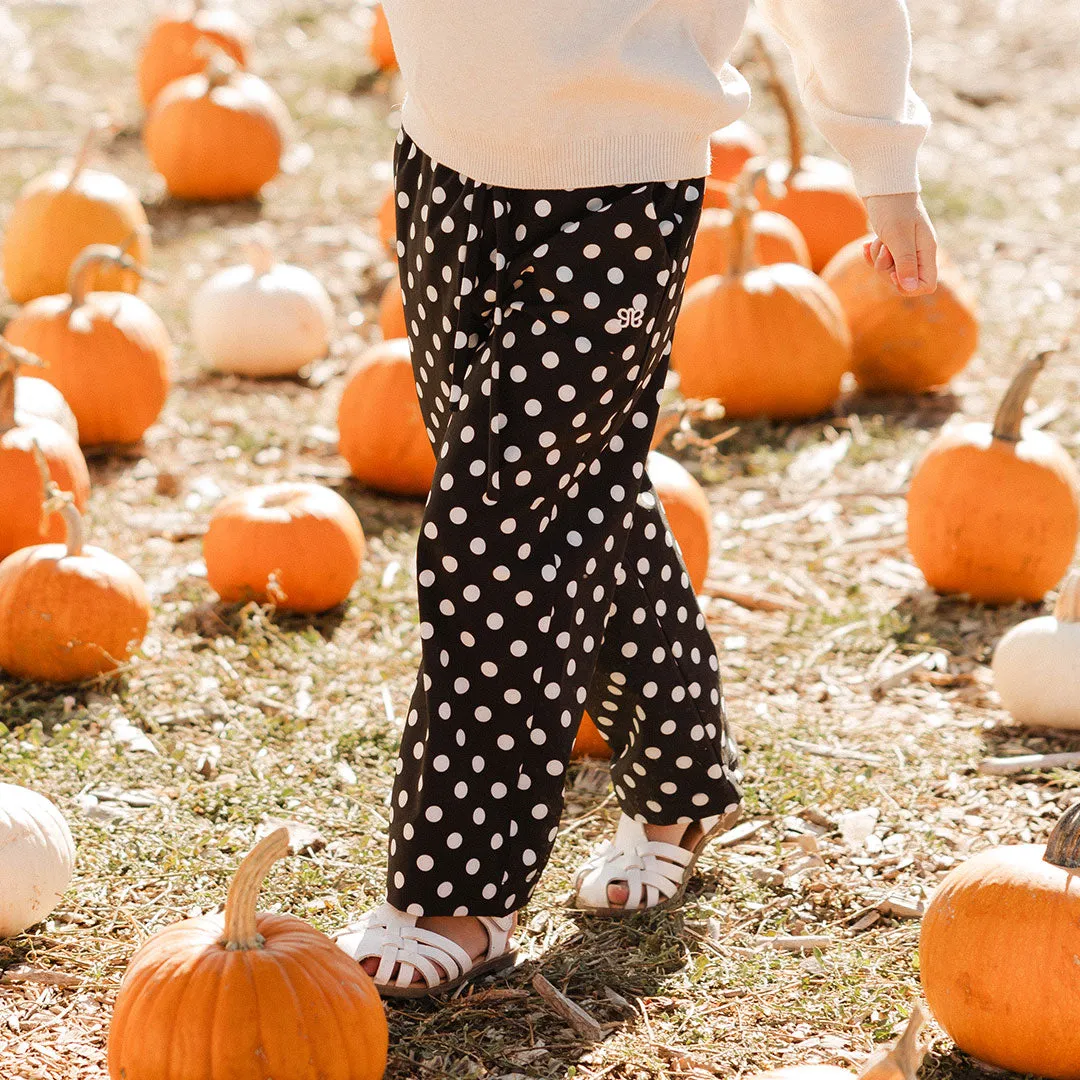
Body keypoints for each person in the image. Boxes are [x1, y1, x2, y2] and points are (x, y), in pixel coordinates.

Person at [336, 0, 938, 998]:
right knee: (572, 490)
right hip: (444, 152)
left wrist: (883, 160)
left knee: (497, 534)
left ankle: (457, 890)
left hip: (617, 186)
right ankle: (683, 782)